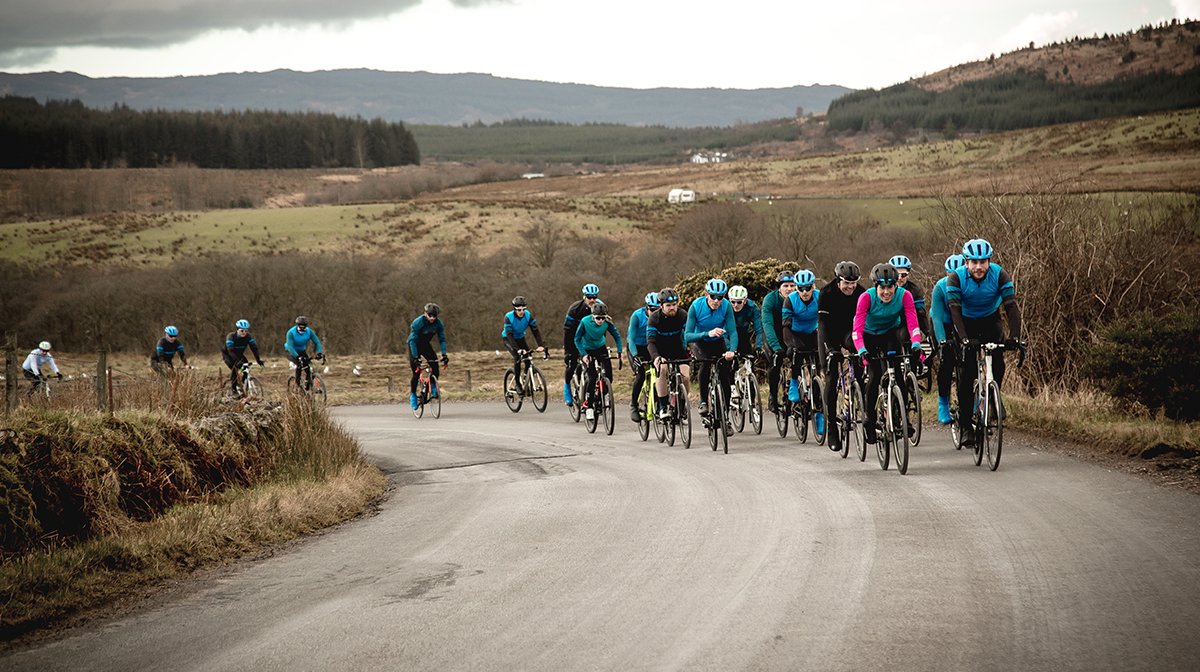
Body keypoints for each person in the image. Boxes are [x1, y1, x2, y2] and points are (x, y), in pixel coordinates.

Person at [946, 239, 1024, 442]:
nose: (979, 267)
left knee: (998, 361)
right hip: (966, 322)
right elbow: (954, 312)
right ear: (966, 262)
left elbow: (1012, 307)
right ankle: (965, 425)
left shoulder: (999, 275)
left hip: (990, 320)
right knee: (968, 372)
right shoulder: (956, 278)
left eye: (983, 262)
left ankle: (993, 398)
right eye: (974, 262)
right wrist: (963, 339)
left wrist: (1015, 336)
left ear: (989, 261)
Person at [852, 263, 922, 444]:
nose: (886, 292)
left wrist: (916, 345)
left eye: (890, 287)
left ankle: (902, 417)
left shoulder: (905, 296)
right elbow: (856, 330)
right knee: (874, 376)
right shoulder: (866, 298)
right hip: (868, 336)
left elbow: (913, 325)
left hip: (890, 335)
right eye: (882, 288)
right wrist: (862, 351)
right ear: (876, 286)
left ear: (896, 285)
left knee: (898, 374)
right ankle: (870, 418)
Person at [817, 261, 866, 452]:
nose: (850, 287)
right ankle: (831, 429)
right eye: (847, 283)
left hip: (848, 332)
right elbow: (822, 325)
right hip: (829, 334)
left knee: (860, 365)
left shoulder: (861, 292)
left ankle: (863, 408)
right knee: (831, 377)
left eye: (853, 283)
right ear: (838, 280)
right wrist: (830, 351)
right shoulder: (826, 293)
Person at [685, 278, 737, 417]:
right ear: (706, 294)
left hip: (717, 341)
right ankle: (703, 401)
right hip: (699, 340)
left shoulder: (726, 306)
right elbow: (687, 336)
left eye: (720, 297)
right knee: (705, 365)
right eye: (713, 296)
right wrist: (708, 333)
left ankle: (724, 415)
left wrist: (732, 350)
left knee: (724, 374)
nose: (716, 301)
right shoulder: (696, 306)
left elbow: (732, 331)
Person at [782, 270, 822, 434]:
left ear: (813, 286)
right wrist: (792, 345)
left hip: (813, 333)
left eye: (808, 288)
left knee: (817, 368)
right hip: (794, 332)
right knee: (796, 353)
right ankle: (793, 382)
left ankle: (819, 412)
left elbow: (827, 318)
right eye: (801, 288)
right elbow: (785, 325)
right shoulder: (790, 300)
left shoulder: (819, 296)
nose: (805, 292)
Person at [929, 254, 966, 425]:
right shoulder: (940, 287)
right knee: (947, 361)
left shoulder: (967, 285)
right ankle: (943, 402)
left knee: (967, 361)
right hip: (942, 323)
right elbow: (936, 317)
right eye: (951, 274)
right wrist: (942, 342)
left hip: (961, 322)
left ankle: (970, 399)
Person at [647, 287, 691, 420]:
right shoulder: (654, 318)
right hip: (661, 350)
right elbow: (651, 342)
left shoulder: (683, 315)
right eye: (668, 305)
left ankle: (681, 406)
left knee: (686, 377)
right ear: (661, 306)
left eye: (674, 305)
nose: (672, 308)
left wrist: (692, 350)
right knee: (662, 370)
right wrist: (656, 357)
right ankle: (663, 407)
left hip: (678, 349)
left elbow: (689, 336)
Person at [574, 302, 623, 411]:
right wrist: (584, 354)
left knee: (609, 377)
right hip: (587, 349)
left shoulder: (607, 322)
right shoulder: (585, 322)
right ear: (593, 316)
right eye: (598, 318)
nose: (600, 321)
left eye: (603, 318)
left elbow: (617, 336)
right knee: (592, 377)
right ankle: (589, 405)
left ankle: (601, 394)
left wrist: (620, 351)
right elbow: (577, 339)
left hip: (600, 348)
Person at [760, 270, 796, 413]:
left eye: (792, 286)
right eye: (786, 286)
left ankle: (793, 390)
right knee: (776, 361)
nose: (789, 289)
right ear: (779, 287)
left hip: (790, 335)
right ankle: (773, 397)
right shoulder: (771, 300)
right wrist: (775, 347)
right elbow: (767, 325)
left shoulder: (797, 298)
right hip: (772, 335)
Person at [890, 254, 932, 372]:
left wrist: (928, 333)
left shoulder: (915, 290)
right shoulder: (884, 289)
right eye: (896, 274)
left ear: (908, 274)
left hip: (908, 325)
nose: (899, 278)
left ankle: (912, 369)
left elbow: (921, 314)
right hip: (890, 325)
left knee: (907, 338)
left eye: (903, 275)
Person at [562, 283, 602, 408]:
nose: (592, 300)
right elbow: (567, 331)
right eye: (589, 297)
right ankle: (567, 385)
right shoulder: (574, 309)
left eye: (594, 297)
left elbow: (603, 327)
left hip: (589, 340)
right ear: (584, 297)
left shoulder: (599, 306)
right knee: (572, 363)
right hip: (575, 339)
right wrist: (568, 351)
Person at [502, 296, 547, 397]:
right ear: (514, 309)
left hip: (520, 338)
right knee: (517, 358)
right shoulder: (508, 317)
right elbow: (509, 335)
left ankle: (525, 382)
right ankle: (517, 384)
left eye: (523, 309)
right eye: (519, 310)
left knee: (528, 359)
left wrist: (541, 345)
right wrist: (517, 350)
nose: (521, 312)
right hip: (509, 339)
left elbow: (535, 331)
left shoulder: (528, 316)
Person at [408, 303, 449, 410]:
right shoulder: (418, 323)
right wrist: (416, 357)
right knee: (416, 372)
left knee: (435, 365)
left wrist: (444, 354)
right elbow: (412, 341)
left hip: (425, 345)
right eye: (430, 315)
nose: (432, 318)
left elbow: (442, 339)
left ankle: (432, 385)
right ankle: (412, 395)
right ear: (425, 313)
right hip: (414, 345)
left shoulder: (438, 324)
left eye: (434, 316)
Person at [626, 292, 659, 422]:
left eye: (657, 310)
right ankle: (633, 404)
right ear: (646, 308)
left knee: (660, 373)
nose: (654, 312)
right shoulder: (637, 316)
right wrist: (635, 356)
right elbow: (631, 339)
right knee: (641, 374)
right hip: (636, 347)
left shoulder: (660, 317)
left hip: (651, 346)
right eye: (652, 310)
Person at [222, 319, 265, 397]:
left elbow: (254, 348)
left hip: (239, 354)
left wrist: (258, 360)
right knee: (235, 367)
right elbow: (230, 351)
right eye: (242, 331)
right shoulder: (231, 336)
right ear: (237, 330)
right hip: (228, 354)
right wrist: (238, 362)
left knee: (246, 367)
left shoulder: (248, 337)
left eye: (246, 331)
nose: (244, 333)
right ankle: (233, 389)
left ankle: (243, 385)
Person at [284, 316, 325, 389]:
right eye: (300, 327)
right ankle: (297, 385)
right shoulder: (291, 333)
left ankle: (307, 385)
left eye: (304, 327)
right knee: (299, 364)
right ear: (297, 325)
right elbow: (290, 346)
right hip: (291, 351)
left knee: (308, 367)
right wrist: (297, 357)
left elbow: (317, 342)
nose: (302, 329)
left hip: (302, 351)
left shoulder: (309, 331)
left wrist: (319, 352)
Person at [729, 285, 763, 359]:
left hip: (743, 333)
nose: (735, 305)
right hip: (728, 333)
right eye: (733, 302)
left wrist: (758, 347)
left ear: (745, 300)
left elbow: (759, 329)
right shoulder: (726, 306)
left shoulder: (753, 307)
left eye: (739, 302)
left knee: (748, 355)